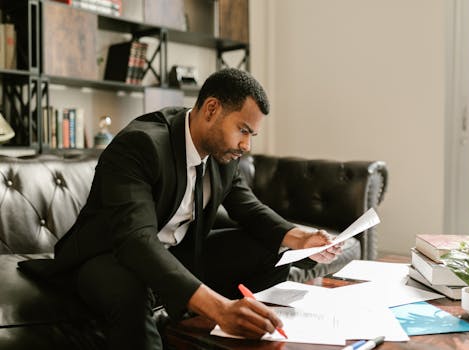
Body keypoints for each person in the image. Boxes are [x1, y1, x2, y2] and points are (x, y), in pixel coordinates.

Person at [27, 68, 342, 349]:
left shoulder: (223, 155)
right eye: (243, 130)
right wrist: (218, 306)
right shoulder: (141, 145)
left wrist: (297, 237)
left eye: (251, 135)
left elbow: (249, 208)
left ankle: (244, 332)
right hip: (109, 257)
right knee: (130, 293)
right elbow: (137, 242)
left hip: (178, 252)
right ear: (211, 109)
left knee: (269, 248)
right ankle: (217, 317)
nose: (247, 145)